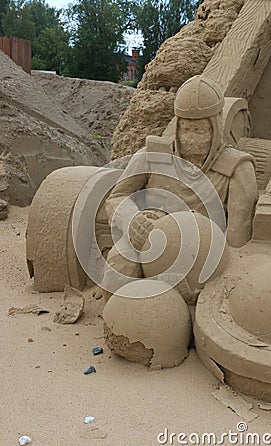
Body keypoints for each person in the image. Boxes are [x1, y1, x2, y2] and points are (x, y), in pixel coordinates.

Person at [99, 75, 258, 301]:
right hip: (149, 238)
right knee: (118, 274)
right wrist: (132, 221)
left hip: (202, 250)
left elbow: (237, 241)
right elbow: (117, 196)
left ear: (217, 126)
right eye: (186, 130)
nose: (191, 140)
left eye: (200, 131)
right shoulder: (153, 156)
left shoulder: (236, 168)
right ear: (177, 126)